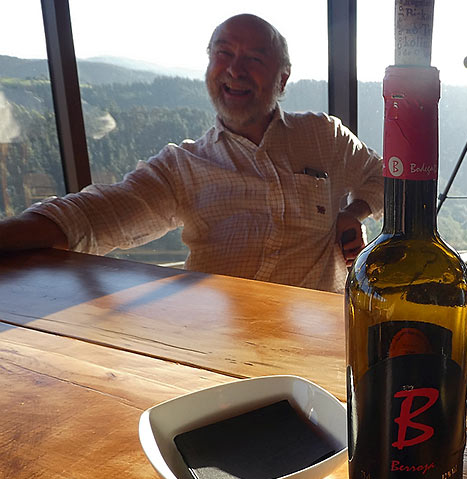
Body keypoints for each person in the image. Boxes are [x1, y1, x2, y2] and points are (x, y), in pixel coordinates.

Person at [0, 14, 382, 293]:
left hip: (311, 335)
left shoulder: (322, 136)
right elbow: (94, 217)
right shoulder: (182, 167)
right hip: (218, 345)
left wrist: (352, 212)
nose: (235, 69)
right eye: (223, 53)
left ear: (282, 78)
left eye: (254, 58)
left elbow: (385, 176)